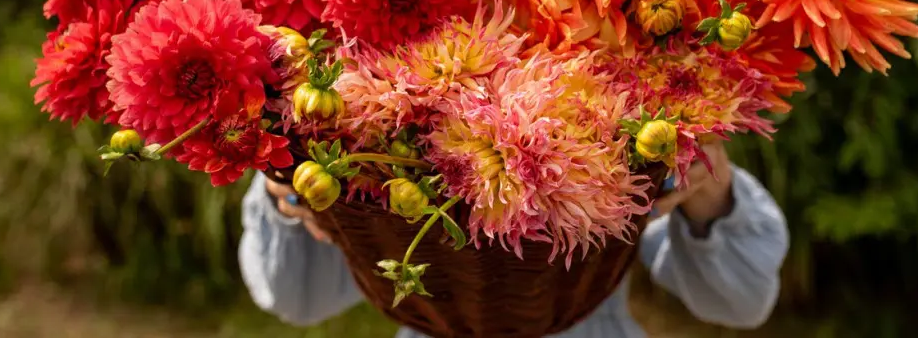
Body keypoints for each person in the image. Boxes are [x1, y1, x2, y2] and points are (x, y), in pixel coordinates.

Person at [238, 140, 789, 337]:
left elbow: (740, 303)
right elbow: (299, 299)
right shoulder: (363, 152)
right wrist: (289, 196)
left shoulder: (629, 135)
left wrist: (709, 194)